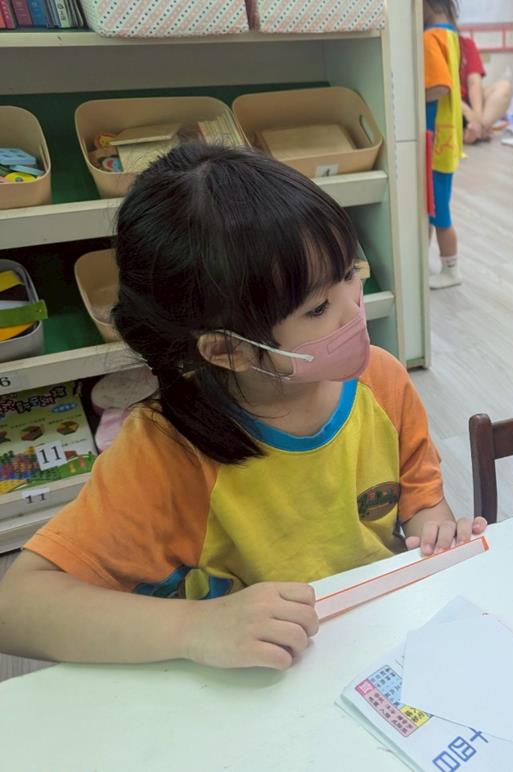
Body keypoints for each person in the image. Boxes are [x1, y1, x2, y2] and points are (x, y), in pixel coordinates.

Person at [0, 145, 486, 670]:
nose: (354, 309)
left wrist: (435, 531)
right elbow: (17, 608)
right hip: (265, 678)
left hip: (376, 647)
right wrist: (193, 627)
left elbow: (420, 502)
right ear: (227, 350)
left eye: (350, 272)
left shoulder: (383, 381)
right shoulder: (167, 450)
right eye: (318, 308)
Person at [424, 0, 464, 288]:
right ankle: (423, 260)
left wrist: (414, 94)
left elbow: (439, 86)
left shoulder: (430, 38)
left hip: (435, 139)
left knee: (438, 210)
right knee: (430, 206)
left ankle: (451, 270)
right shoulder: (450, 33)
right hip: (446, 137)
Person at [459, 33, 513, 145]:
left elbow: (474, 82)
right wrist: (467, 112)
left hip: (469, 101)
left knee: (505, 87)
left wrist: (477, 117)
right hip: (451, 104)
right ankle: (474, 131)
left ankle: (478, 130)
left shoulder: (466, 44)